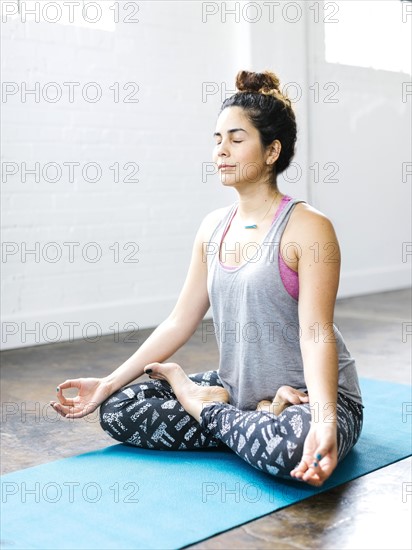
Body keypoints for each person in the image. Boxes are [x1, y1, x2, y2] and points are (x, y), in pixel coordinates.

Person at [51, 70, 363, 487]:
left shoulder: (308, 227)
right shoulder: (213, 227)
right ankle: (252, 417)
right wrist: (106, 383)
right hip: (242, 391)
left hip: (317, 398)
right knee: (118, 406)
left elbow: (316, 332)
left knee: (295, 446)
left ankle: (207, 407)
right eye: (217, 140)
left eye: (236, 139)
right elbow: (180, 321)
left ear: (272, 151)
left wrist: (325, 421)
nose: (221, 150)